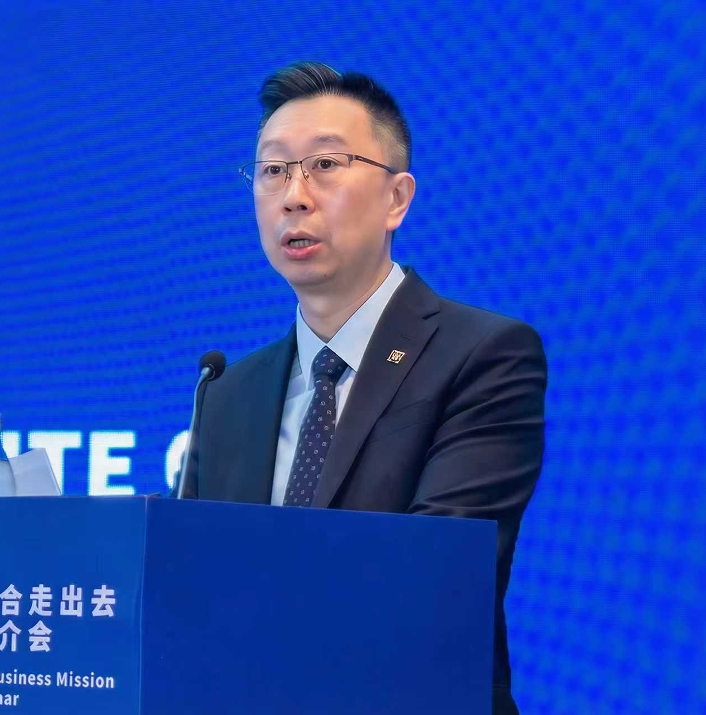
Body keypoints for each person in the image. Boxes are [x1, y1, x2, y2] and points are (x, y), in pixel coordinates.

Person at [173, 61, 546, 715]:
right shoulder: (228, 392)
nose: (293, 195)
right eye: (272, 170)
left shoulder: (484, 355)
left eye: (325, 165)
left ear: (397, 198)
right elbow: (193, 589)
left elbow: (434, 576)